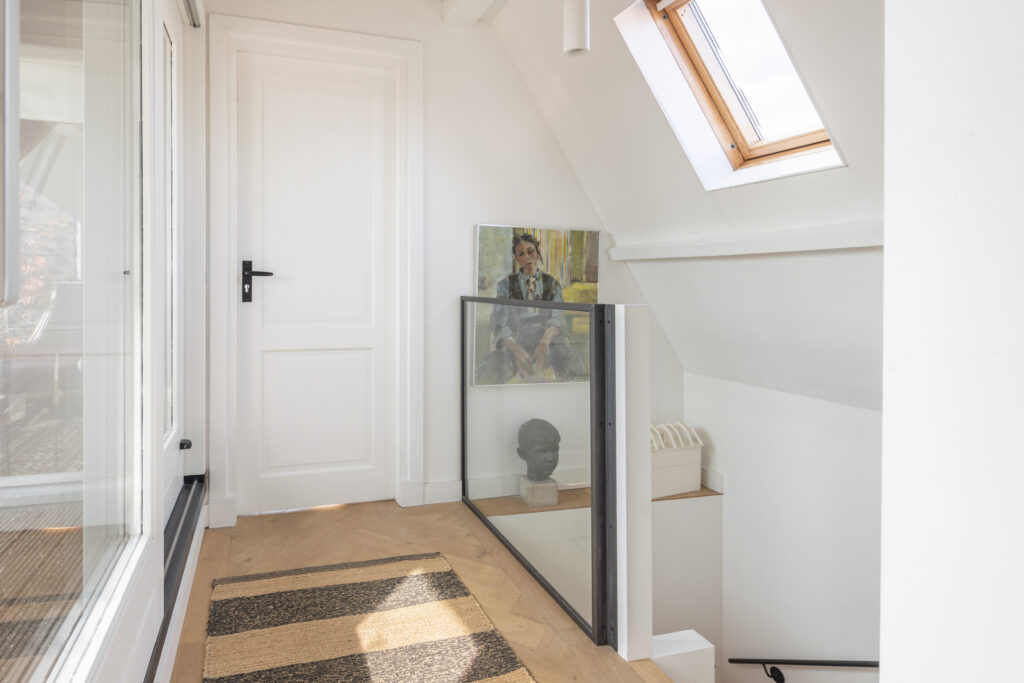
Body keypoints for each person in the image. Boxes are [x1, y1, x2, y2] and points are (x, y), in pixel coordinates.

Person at [476, 233, 579, 383]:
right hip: (516, 346)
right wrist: (517, 351)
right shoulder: (505, 286)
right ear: (517, 259)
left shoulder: (552, 285)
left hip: (547, 344)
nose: (527, 257)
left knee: (572, 362)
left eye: (530, 251)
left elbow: (557, 319)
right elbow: (499, 323)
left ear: (537, 253)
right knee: (489, 370)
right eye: (521, 254)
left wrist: (545, 342)